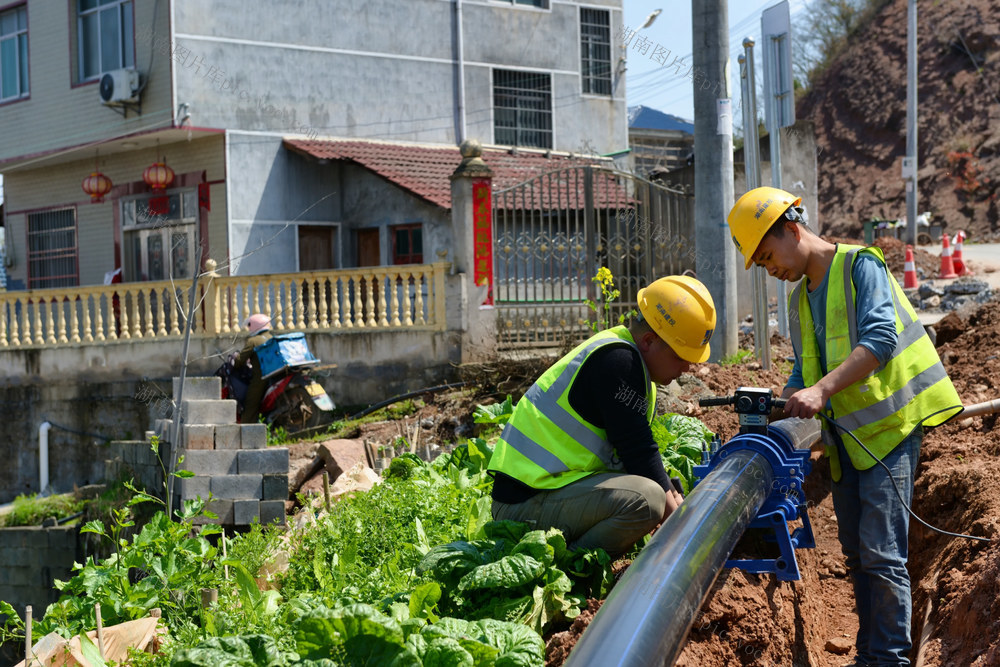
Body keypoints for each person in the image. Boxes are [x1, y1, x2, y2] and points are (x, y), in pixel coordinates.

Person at [727, 186, 962, 666]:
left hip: (890, 432)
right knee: (856, 554)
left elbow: (880, 339)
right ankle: (868, 655)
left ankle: (890, 659)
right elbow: (804, 374)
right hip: (847, 441)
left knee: (882, 554)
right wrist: (778, 408)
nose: (770, 269)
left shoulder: (860, 267)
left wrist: (822, 392)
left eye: (769, 256)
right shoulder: (799, 303)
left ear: (793, 231)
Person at [487, 275, 717, 557]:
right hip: (524, 502)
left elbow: (638, 452)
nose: (687, 368)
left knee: (658, 492)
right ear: (648, 340)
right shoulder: (619, 363)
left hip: (550, 490)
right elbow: (639, 453)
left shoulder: (629, 362)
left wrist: (675, 497)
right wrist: (683, 528)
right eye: (682, 356)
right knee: (648, 500)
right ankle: (570, 570)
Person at [235, 313, 274, 424]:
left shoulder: (253, 341)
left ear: (255, 325)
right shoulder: (271, 338)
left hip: (261, 378)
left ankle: (246, 428)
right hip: (274, 374)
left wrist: (235, 360)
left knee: (250, 403)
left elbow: (239, 361)